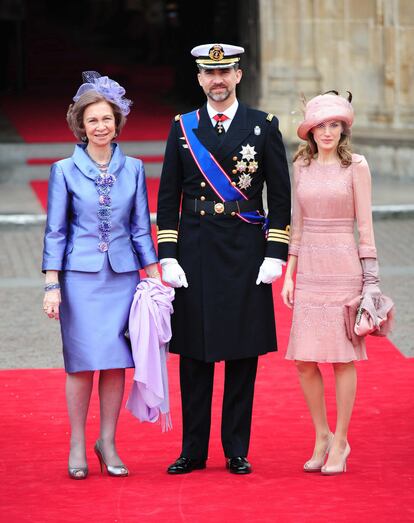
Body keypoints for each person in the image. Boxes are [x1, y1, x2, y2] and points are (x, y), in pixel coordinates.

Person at [157, 43, 291, 474]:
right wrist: (168, 254)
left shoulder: (263, 126)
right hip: (194, 250)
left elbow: (280, 197)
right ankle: (192, 451)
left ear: (238, 75)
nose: (217, 80)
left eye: (226, 72)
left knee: (241, 353)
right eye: (209, 74)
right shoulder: (183, 127)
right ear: (199, 79)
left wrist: (276, 251)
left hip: (245, 250)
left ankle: (236, 448)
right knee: (194, 355)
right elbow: (167, 197)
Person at [42, 71, 159, 480]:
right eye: (92, 120)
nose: (100, 126)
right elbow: (56, 231)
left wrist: (155, 275)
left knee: (114, 363)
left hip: (124, 278)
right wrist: (52, 284)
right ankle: (77, 442)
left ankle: (107, 442)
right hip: (79, 280)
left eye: (106, 119)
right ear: (81, 125)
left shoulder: (135, 169)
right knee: (80, 364)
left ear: (117, 122)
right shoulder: (64, 171)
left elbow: (142, 228)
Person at [281, 91, 384, 475]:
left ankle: (341, 440)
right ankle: (321, 435)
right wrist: (290, 273)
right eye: (321, 125)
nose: (328, 132)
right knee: (304, 360)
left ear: (344, 128)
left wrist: (371, 282)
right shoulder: (302, 165)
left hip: (344, 266)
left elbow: (366, 227)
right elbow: (298, 223)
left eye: (335, 124)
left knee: (342, 359)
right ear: (310, 131)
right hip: (309, 265)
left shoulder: (357, 165)